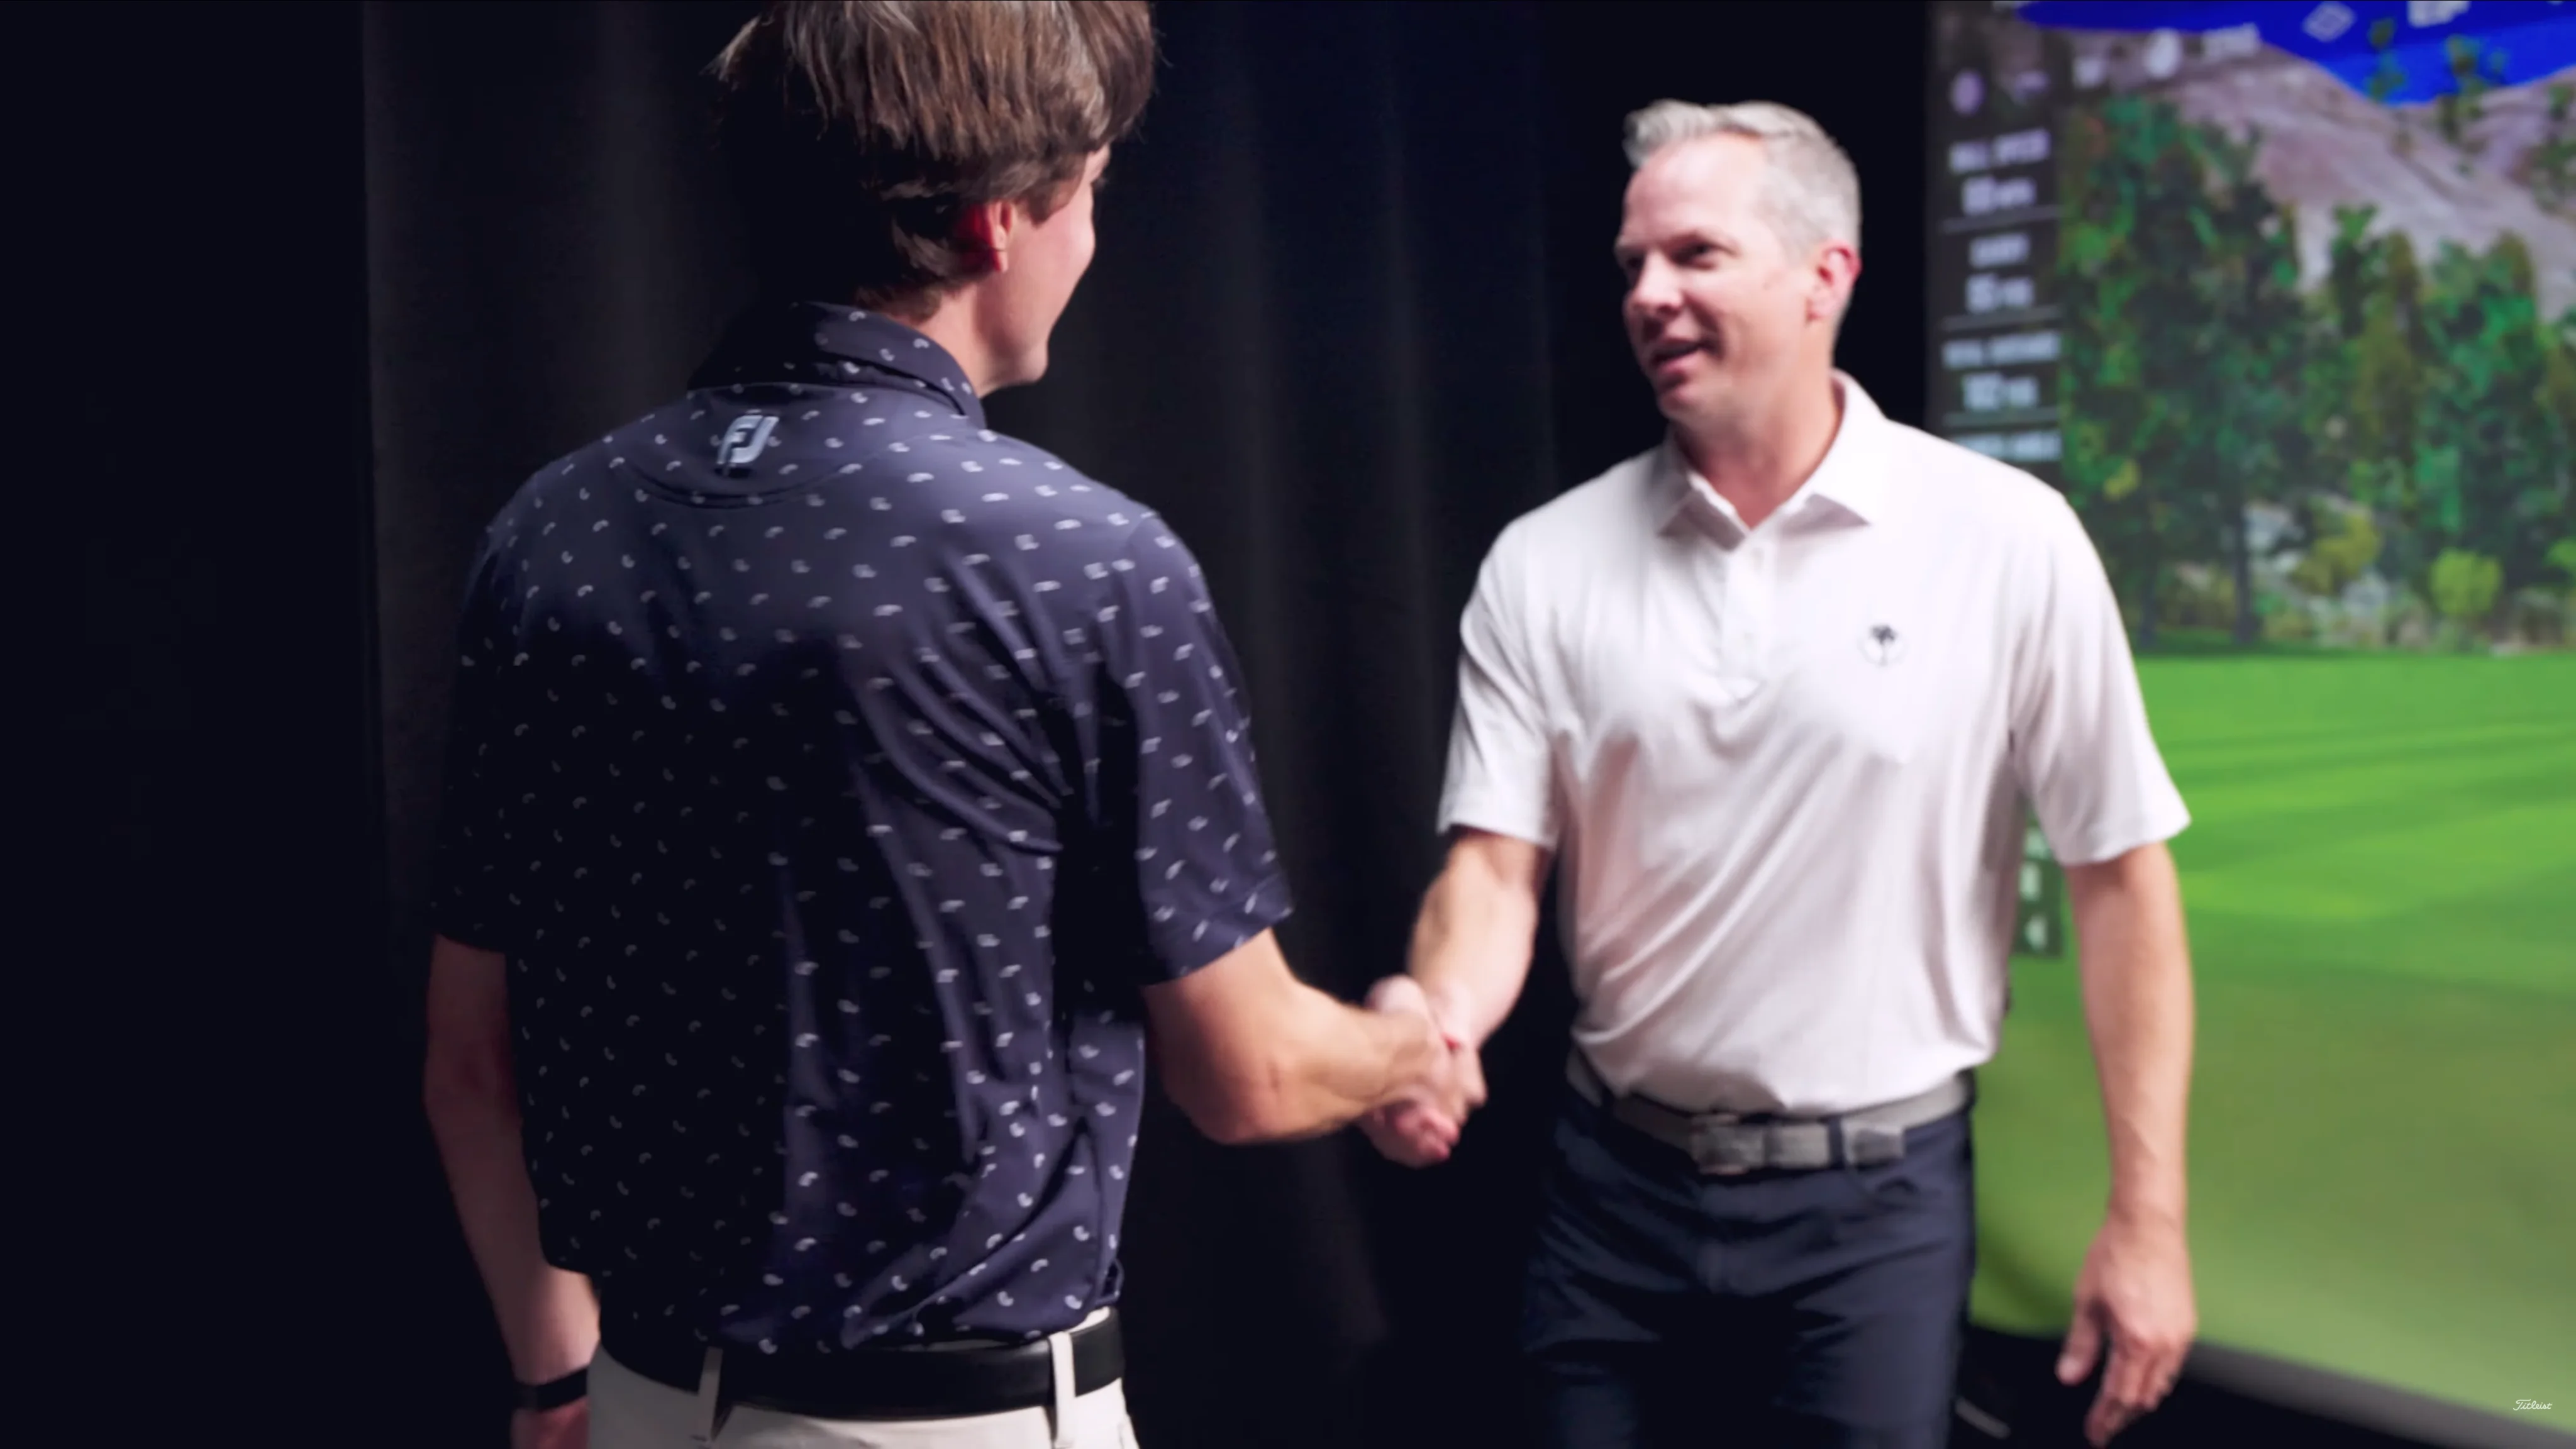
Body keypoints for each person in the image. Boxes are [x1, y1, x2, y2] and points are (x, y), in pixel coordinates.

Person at [420, 4, 1471, 1446]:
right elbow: (1251, 1072)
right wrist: (1407, 1046)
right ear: (995, 222)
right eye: (1088, 191)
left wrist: (555, 1378)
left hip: (641, 1400)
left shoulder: (548, 538)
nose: (1091, 240)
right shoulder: (1081, 565)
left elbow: (472, 1059)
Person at [1360, 101, 2199, 1448]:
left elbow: (2116, 881)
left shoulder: (2005, 539)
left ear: (1825, 277)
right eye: (1632, 262)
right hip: (1607, 1198)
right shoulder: (1544, 561)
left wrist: (2146, 1218)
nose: (1647, 294)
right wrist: (1435, 1025)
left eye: (1694, 254)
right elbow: (1493, 868)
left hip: (1874, 1217)